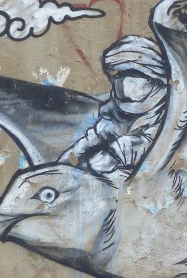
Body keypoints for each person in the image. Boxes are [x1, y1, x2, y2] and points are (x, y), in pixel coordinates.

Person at [60, 35, 168, 184]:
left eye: (134, 74)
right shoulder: (115, 108)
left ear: (155, 76)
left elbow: (147, 143)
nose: (124, 84)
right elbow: (92, 138)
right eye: (119, 74)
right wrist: (62, 164)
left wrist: (110, 156)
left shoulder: (170, 110)